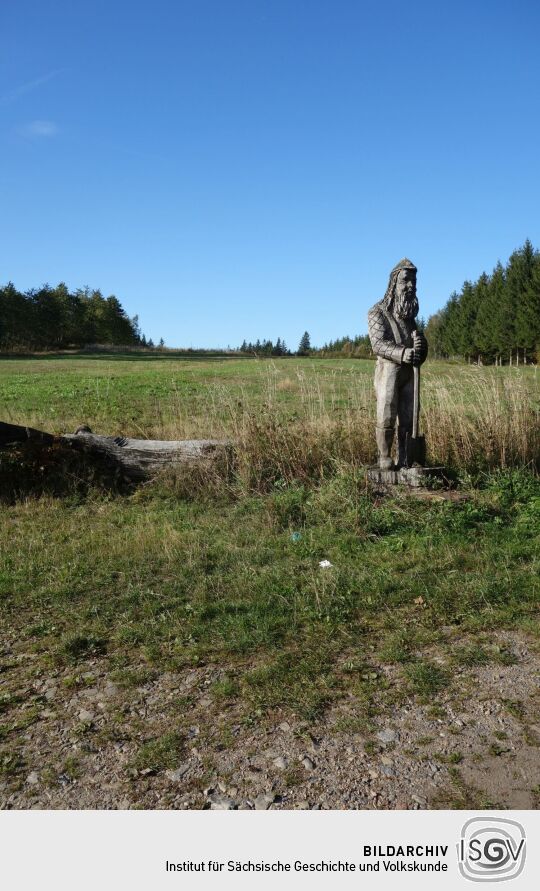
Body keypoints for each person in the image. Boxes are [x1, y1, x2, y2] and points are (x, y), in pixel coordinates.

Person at [367, 258, 428, 469]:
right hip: (388, 371)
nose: (411, 286)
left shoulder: (409, 316)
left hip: (409, 373)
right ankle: (384, 456)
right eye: (405, 281)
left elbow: (418, 350)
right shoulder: (377, 312)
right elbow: (378, 344)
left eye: (414, 281)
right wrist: (403, 353)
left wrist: (421, 346)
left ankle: (406, 458)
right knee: (386, 413)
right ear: (394, 283)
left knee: (409, 415)